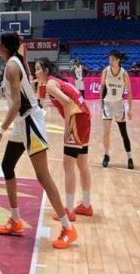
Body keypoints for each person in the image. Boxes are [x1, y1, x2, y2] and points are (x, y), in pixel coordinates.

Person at [0, 32, 77, 249]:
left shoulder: (12, 66)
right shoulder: (14, 60)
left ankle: (68, 228)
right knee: (7, 165)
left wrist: (0, 131)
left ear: (5, 47)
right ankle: (15, 220)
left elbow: (17, 104)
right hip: (22, 123)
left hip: (30, 123)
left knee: (43, 176)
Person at [35, 58, 93, 221]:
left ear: (46, 70)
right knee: (82, 164)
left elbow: (67, 102)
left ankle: (68, 209)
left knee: (68, 165)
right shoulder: (56, 81)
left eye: (38, 69)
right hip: (85, 116)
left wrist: (67, 128)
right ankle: (86, 205)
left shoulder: (51, 84)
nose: (36, 72)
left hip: (77, 119)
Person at [101, 50, 134, 169]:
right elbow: (102, 87)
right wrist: (101, 103)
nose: (110, 61)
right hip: (107, 104)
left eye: (113, 59)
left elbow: (129, 92)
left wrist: (130, 109)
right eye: (109, 59)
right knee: (106, 132)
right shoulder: (105, 71)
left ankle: (130, 157)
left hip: (119, 104)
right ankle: (106, 155)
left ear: (118, 60)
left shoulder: (124, 73)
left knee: (123, 133)